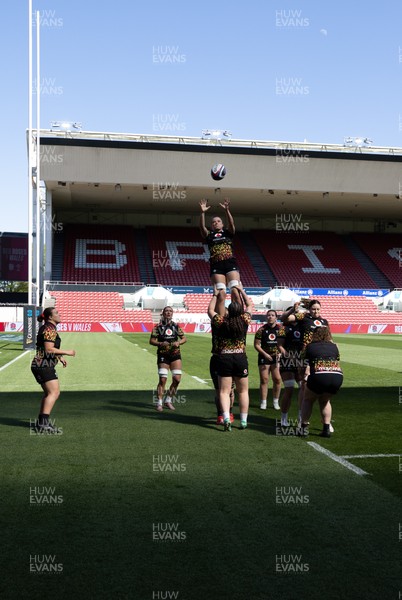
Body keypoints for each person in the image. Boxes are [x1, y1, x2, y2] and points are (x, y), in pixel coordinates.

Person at [281, 299, 333, 430]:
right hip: (306, 358)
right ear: (309, 309)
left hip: (321, 358)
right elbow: (283, 318)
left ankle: (326, 421)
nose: (316, 311)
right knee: (304, 388)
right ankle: (301, 417)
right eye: (313, 309)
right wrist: (293, 309)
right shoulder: (303, 317)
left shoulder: (324, 321)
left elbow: (330, 339)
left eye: (318, 309)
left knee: (324, 391)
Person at [208, 283, 252, 431]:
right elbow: (250, 306)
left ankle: (226, 418)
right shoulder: (244, 321)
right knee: (243, 391)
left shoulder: (221, 322)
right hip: (240, 357)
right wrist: (241, 291)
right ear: (240, 312)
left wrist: (215, 295)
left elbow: (210, 310)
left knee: (224, 391)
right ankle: (244, 421)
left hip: (224, 358)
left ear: (229, 312)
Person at [31, 307, 76, 433]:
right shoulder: (49, 329)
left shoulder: (48, 328)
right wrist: (67, 352)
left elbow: (48, 348)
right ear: (50, 317)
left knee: (50, 394)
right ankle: (43, 424)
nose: (59, 314)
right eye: (56, 313)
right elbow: (49, 349)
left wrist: (59, 357)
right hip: (44, 365)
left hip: (42, 364)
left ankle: (42, 422)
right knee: (54, 393)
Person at [298, 327, 343, 438]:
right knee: (325, 401)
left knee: (308, 400)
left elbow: (301, 364)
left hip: (319, 376)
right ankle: (326, 429)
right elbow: (337, 360)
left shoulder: (309, 347)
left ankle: (303, 428)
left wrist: (303, 376)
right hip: (337, 377)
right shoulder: (334, 346)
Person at [199, 197, 240, 294]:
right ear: (211, 225)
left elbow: (231, 223)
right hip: (216, 264)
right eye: (213, 222)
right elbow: (202, 227)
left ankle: (237, 309)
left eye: (218, 221)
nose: (216, 223)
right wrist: (202, 213)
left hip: (230, 262)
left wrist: (227, 210)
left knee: (235, 289)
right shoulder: (209, 235)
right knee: (220, 293)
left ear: (222, 224)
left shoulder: (227, 233)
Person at [150, 306, 187, 412]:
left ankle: (168, 400)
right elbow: (152, 341)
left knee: (177, 379)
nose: (169, 313)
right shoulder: (157, 327)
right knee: (163, 379)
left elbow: (184, 338)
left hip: (175, 354)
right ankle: (159, 403)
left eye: (170, 311)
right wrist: (161, 343)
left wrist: (178, 342)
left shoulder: (176, 326)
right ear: (163, 313)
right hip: (163, 355)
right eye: (167, 311)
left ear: (172, 313)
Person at [208, 288, 235, 425]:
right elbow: (211, 311)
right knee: (220, 390)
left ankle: (229, 412)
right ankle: (221, 414)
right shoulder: (218, 322)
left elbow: (210, 310)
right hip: (217, 358)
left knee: (230, 390)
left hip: (228, 358)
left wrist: (216, 295)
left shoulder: (235, 324)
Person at [276, 313, 304, 427]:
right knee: (290, 389)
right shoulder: (284, 328)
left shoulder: (303, 327)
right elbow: (279, 346)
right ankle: (284, 418)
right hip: (287, 361)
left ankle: (301, 418)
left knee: (304, 389)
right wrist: (289, 356)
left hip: (301, 360)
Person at [254, 310, 285, 411]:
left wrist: (280, 353)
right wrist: (265, 354)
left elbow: (284, 343)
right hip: (264, 356)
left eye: (272, 315)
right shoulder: (261, 330)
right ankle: (264, 402)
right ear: (266, 317)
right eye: (268, 315)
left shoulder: (281, 329)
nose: (270, 317)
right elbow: (257, 345)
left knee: (277, 379)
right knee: (264, 379)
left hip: (277, 357)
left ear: (276, 317)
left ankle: (276, 401)